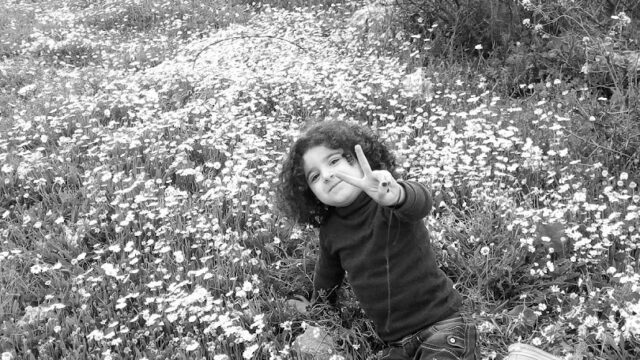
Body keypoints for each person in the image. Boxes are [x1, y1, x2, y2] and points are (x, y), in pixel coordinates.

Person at [277, 120, 480, 360]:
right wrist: (317, 303)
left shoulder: (388, 201)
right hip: (396, 344)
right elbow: (327, 275)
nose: (328, 175)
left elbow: (421, 203)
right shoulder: (330, 231)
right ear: (309, 195)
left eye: (334, 161)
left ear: (360, 159)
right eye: (314, 176)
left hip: (443, 325)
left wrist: (397, 194)